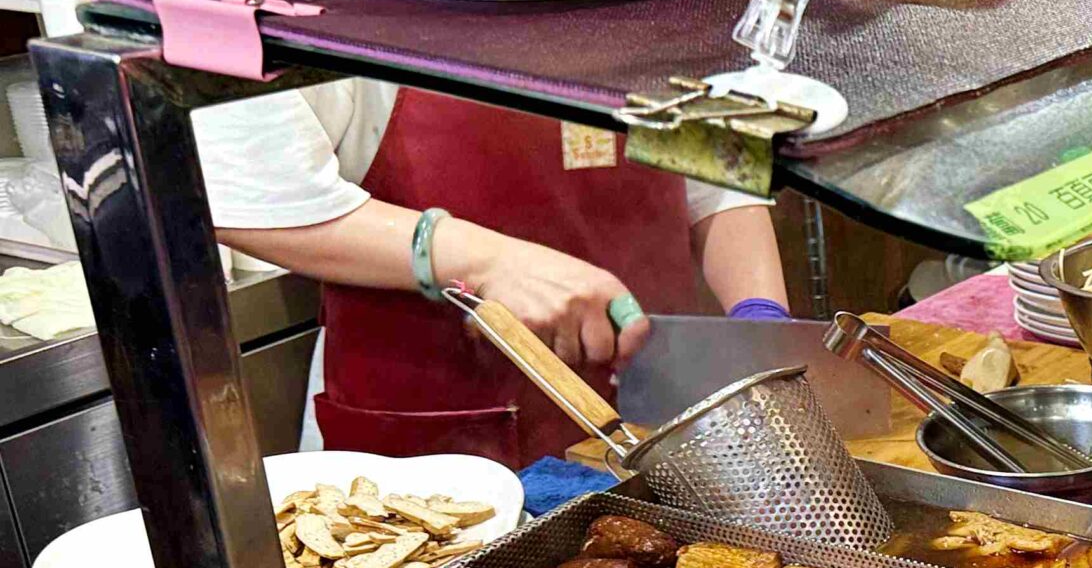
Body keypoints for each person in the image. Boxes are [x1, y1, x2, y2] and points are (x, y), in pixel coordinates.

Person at [197, 81, 792, 463]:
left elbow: (716, 182)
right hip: (435, 446)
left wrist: (760, 321)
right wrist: (489, 262)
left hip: (659, 423)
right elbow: (235, 194)